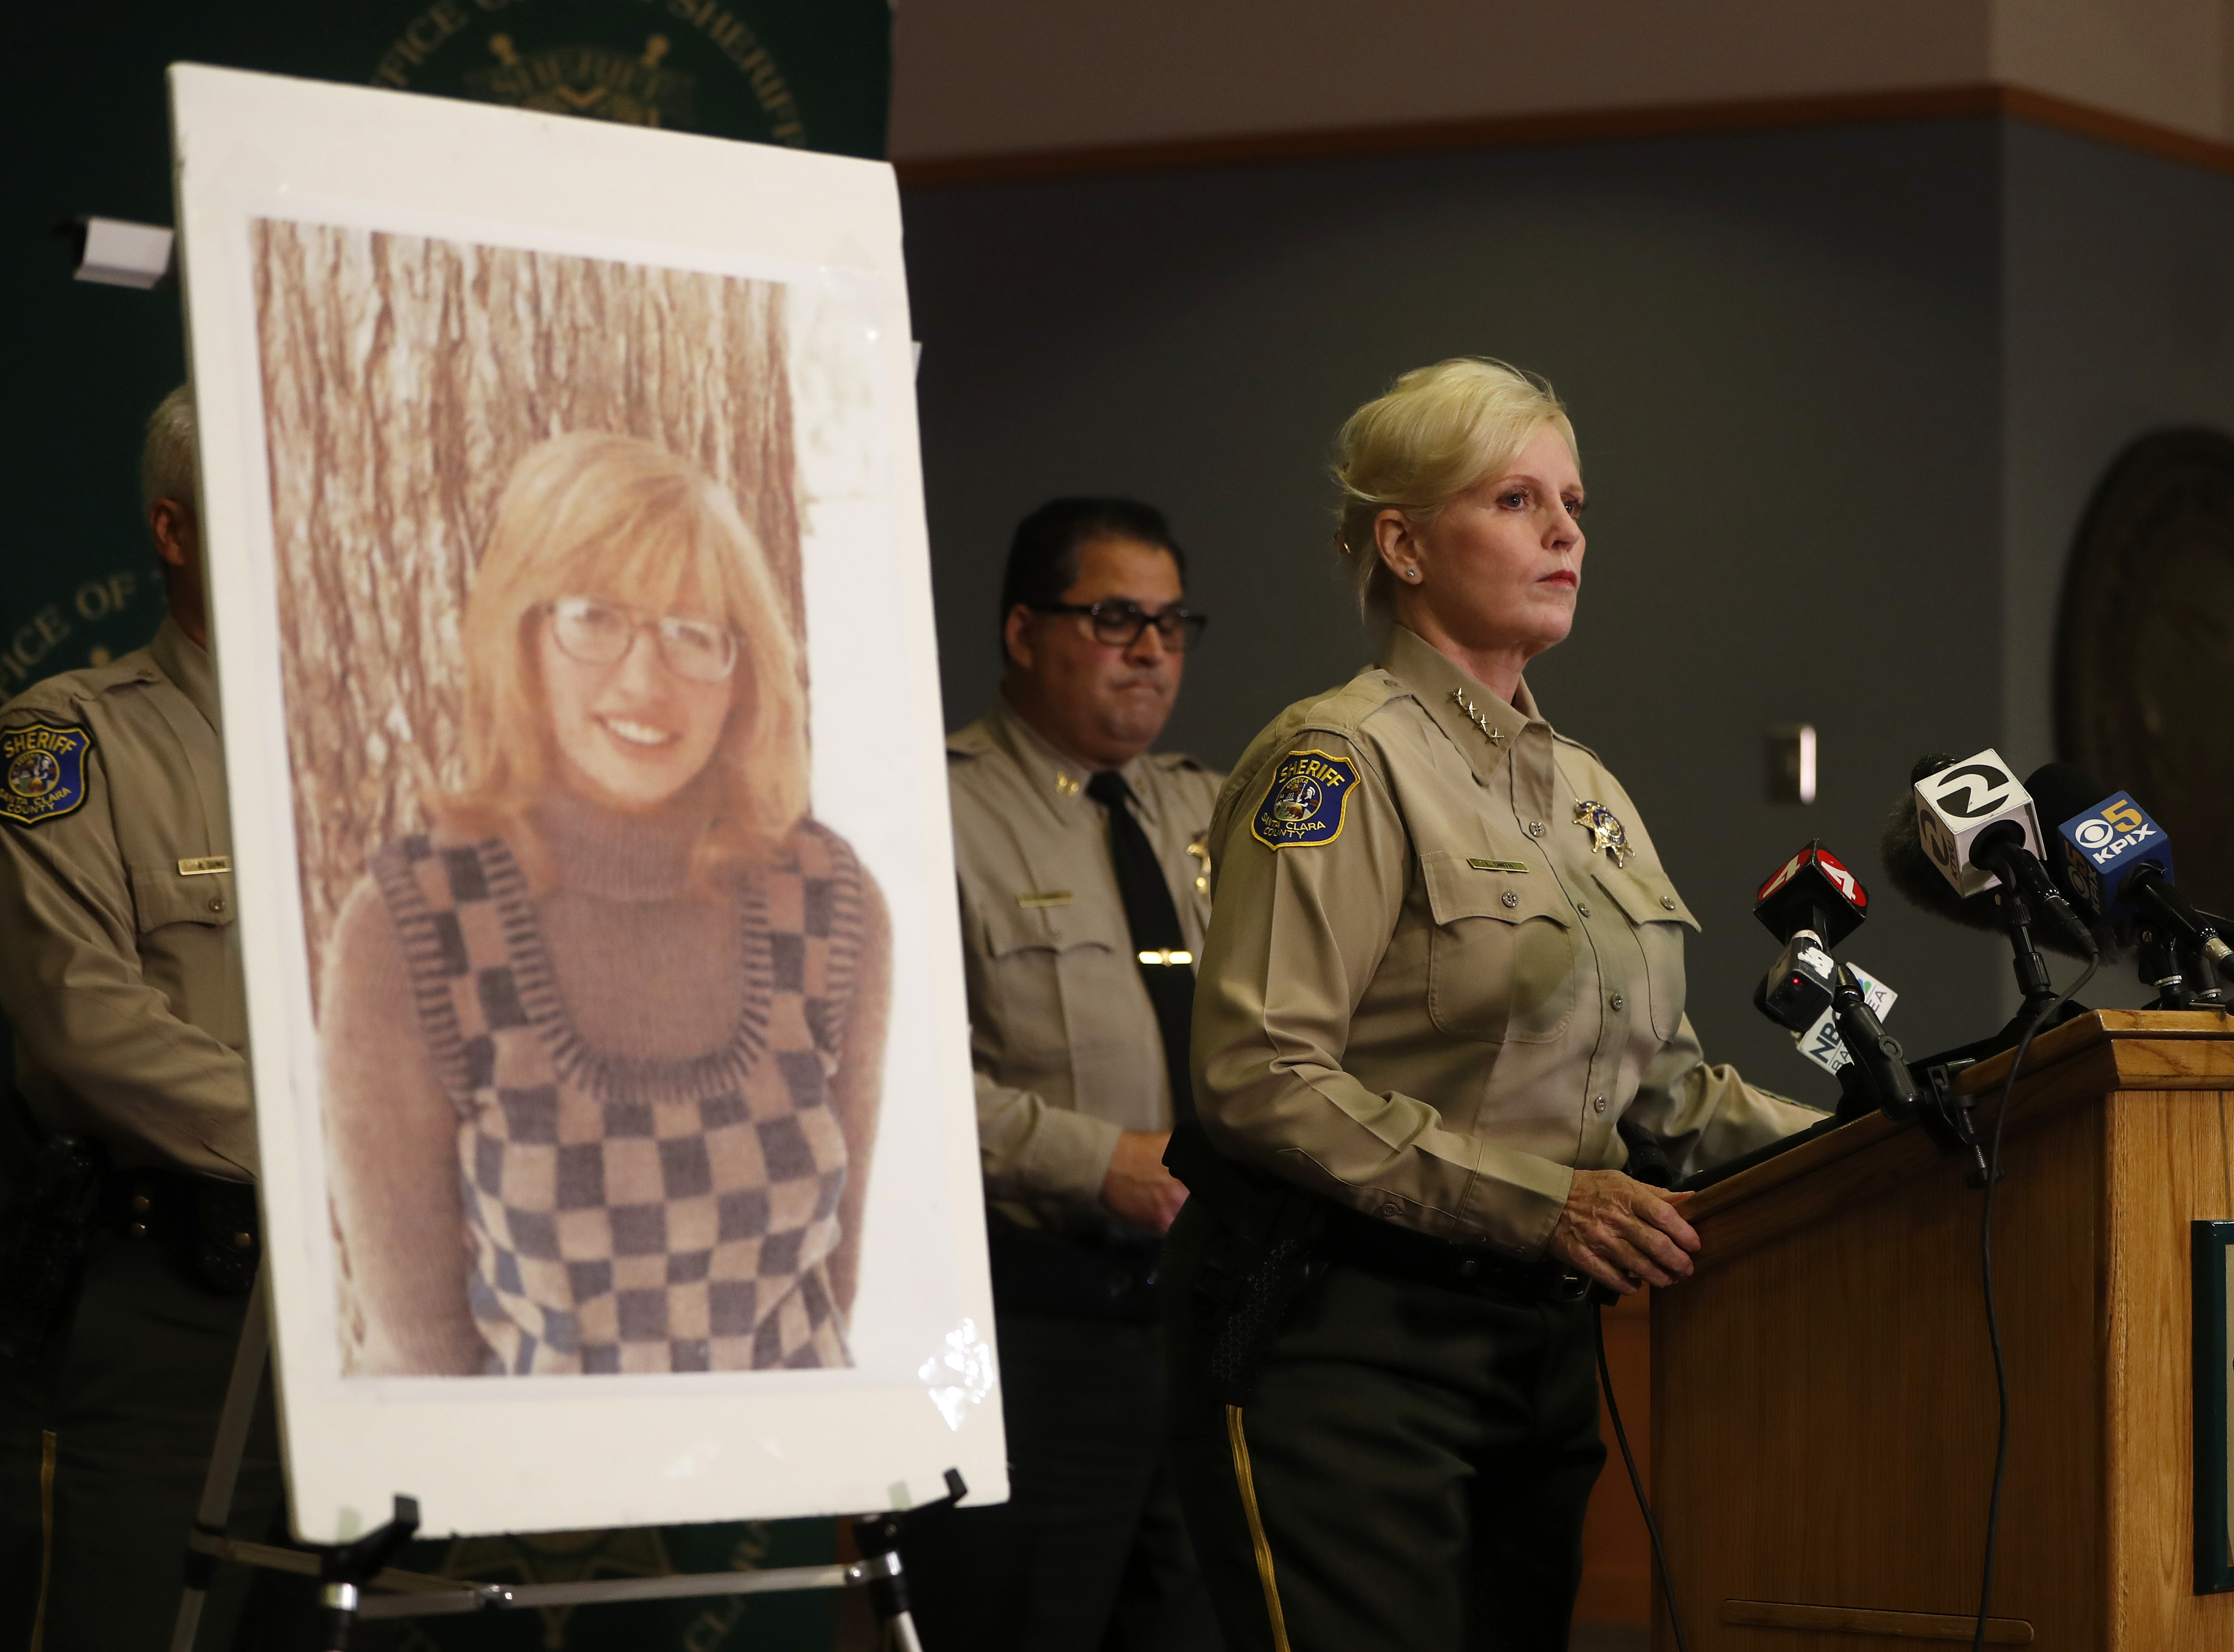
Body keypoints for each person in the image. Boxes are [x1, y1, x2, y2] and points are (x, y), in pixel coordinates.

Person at [1165, 359, 1820, 1652]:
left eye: (1573, 503)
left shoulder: (1587, 790)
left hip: (1539, 1356)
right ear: (1403, 544)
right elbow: (1259, 1072)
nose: (1565, 532)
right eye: (1516, 499)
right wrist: (1545, 1202)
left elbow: (1665, 1095)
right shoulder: (1340, 761)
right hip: (1350, 1343)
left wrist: (1886, 1141)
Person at [321, 431, 890, 1377]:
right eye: (594, 619)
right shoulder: (411, 926)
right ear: (523, 638)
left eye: (693, 633)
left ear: (743, 670)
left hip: (789, 1454)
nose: (643, 680)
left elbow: (836, 1282)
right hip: (539, 1474)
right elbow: (419, 1353)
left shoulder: (831, 903)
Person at [900, 499, 1223, 1651]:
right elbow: (887, 1087)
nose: (1151, 651)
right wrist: (1099, 1162)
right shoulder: (926, 811)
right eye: (1116, 618)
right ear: (1023, 631)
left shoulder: (1212, 811)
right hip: (1021, 1333)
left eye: (1171, 624)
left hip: (1202, 1330)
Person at [0, 385, 284, 1649]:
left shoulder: (419, 755)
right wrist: (344, 1157)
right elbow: (83, 1022)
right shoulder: (67, 739)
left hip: (376, 1329)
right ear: (174, 531)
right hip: (175, 1304)